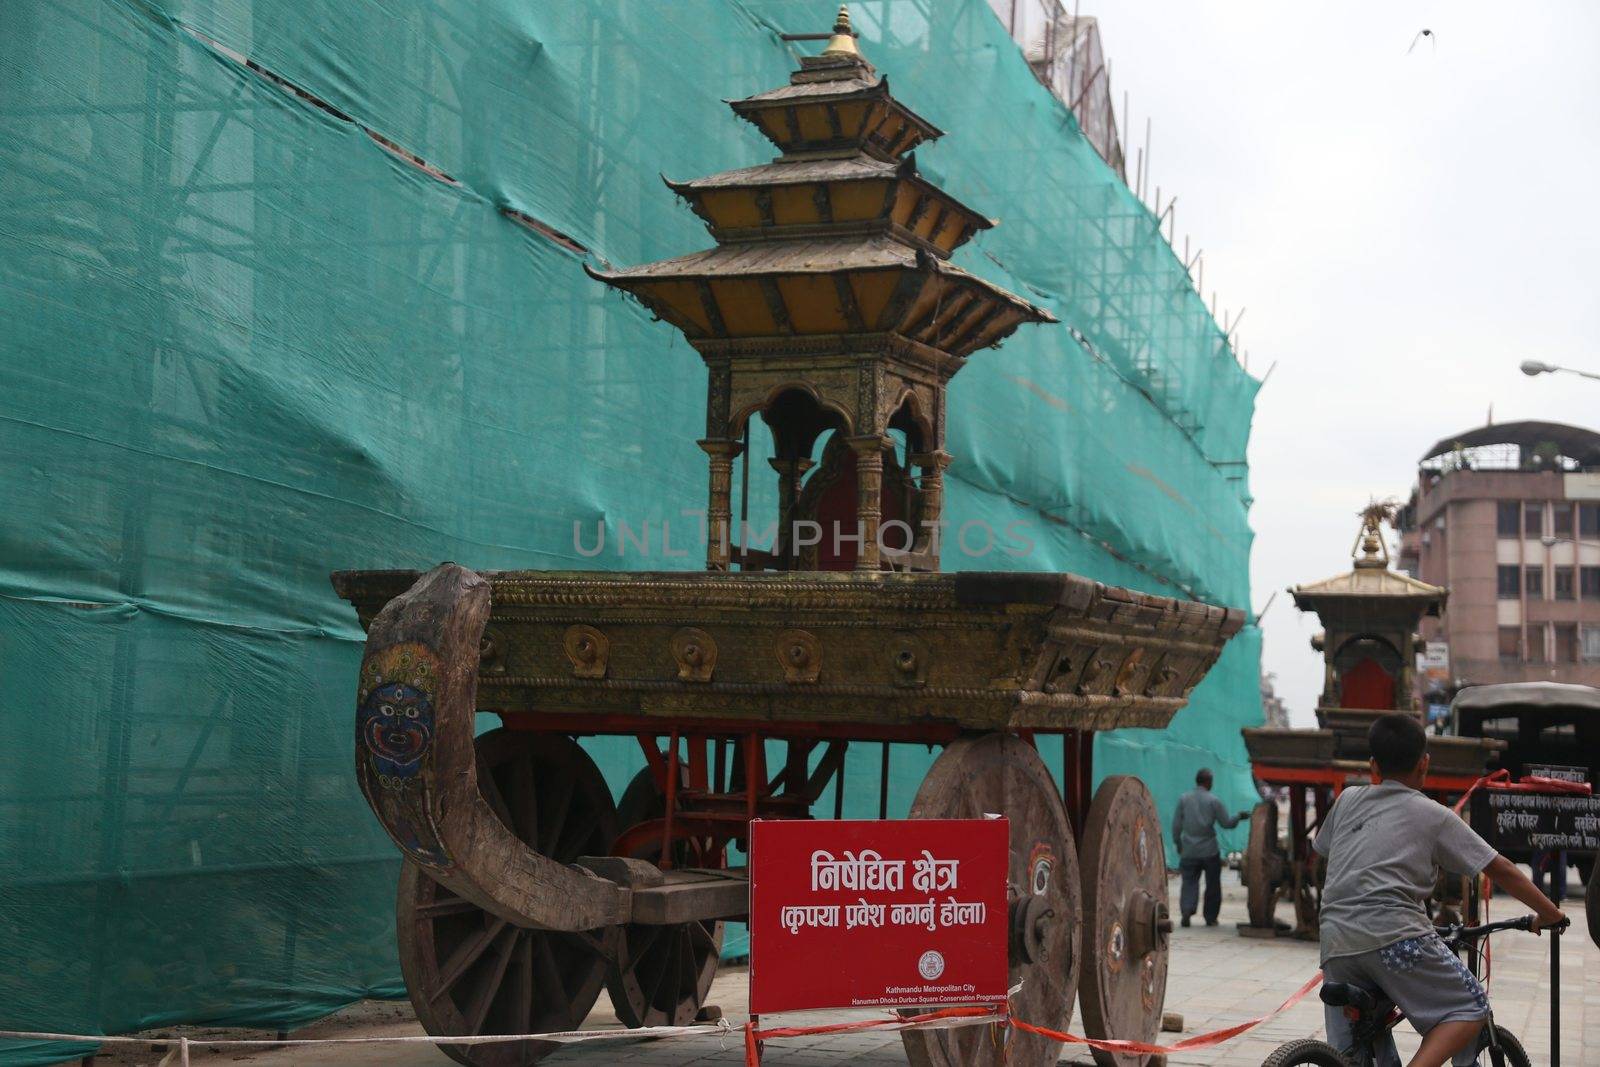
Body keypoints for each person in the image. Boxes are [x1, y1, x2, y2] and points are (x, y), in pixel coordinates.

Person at [1315, 713, 1566, 1067]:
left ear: (1373, 767)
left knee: (1353, 1051)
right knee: (1470, 1005)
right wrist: (1552, 913)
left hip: (1335, 942)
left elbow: (1323, 853)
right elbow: (1500, 869)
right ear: (1424, 764)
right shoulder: (1432, 814)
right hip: (1394, 936)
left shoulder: (1346, 801)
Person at [1171, 768, 1249, 927]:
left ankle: (1187, 910)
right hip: (1209, 850)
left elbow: (1176, 825)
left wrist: (1178, 843)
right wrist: (1239, 817)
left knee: (1189, 882)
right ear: (1209, 782)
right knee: (1212, 884)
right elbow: (1226, 823)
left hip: (1189, 850)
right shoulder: (1214, 801)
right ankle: (1210, 917)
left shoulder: (1184, 799)